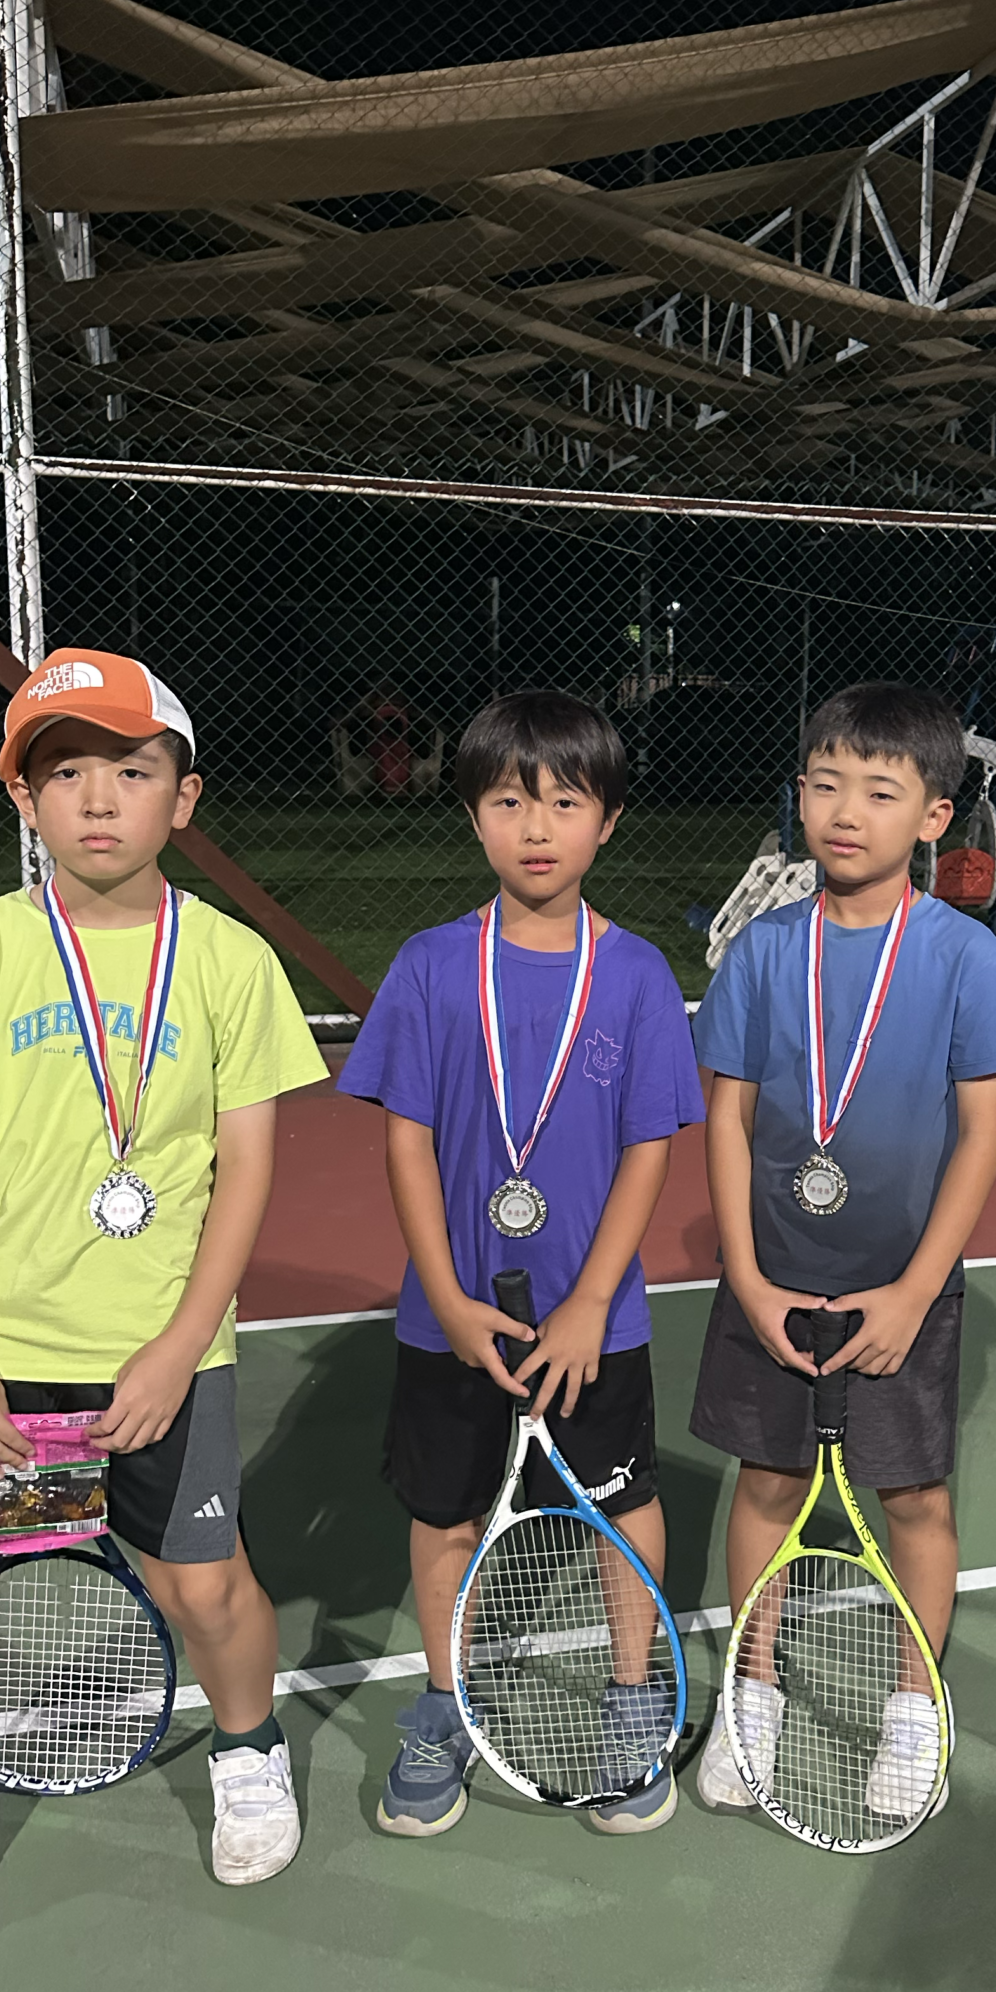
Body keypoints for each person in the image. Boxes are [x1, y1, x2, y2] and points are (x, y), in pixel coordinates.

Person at [0, 649, 328, 1955]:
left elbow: (245, 1170)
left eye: (130, 769)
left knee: (209, 1589)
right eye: (64, 773)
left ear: (185, 796)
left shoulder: (230, 962)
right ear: (25, 801)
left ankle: (248, 1748)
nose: (98, 798)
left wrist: (183, 1344)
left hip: (159, 1355)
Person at [339, 691, 703, 1837]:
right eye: (508, 801)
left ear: (609, 820)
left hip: (597, 1324)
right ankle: (446, 1703)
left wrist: (591, 1299)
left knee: (619, 1507)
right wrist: (446, 1295)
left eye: (565, 802)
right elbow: (405, 1138)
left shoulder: (636, 973)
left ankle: (633, 1698)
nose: (536, 827)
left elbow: (650, 1145)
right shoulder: (432, 966)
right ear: (473, 816)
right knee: (445, 1515)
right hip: (450, 1319)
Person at [689, 681, 996, 1815]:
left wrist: (914, 1291)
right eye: (826, 784)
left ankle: (912, 1706)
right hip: (773, 1281)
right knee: (765, 1485)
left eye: (881, 792)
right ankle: (752, 1691)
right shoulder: (760, 951)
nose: (846, 812)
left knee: (917, 1504)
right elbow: (727, 1119)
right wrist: (746, 1276)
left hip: (901, 1290)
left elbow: (984, 1137)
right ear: (798, 794)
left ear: (935, 816)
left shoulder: (970, 960)